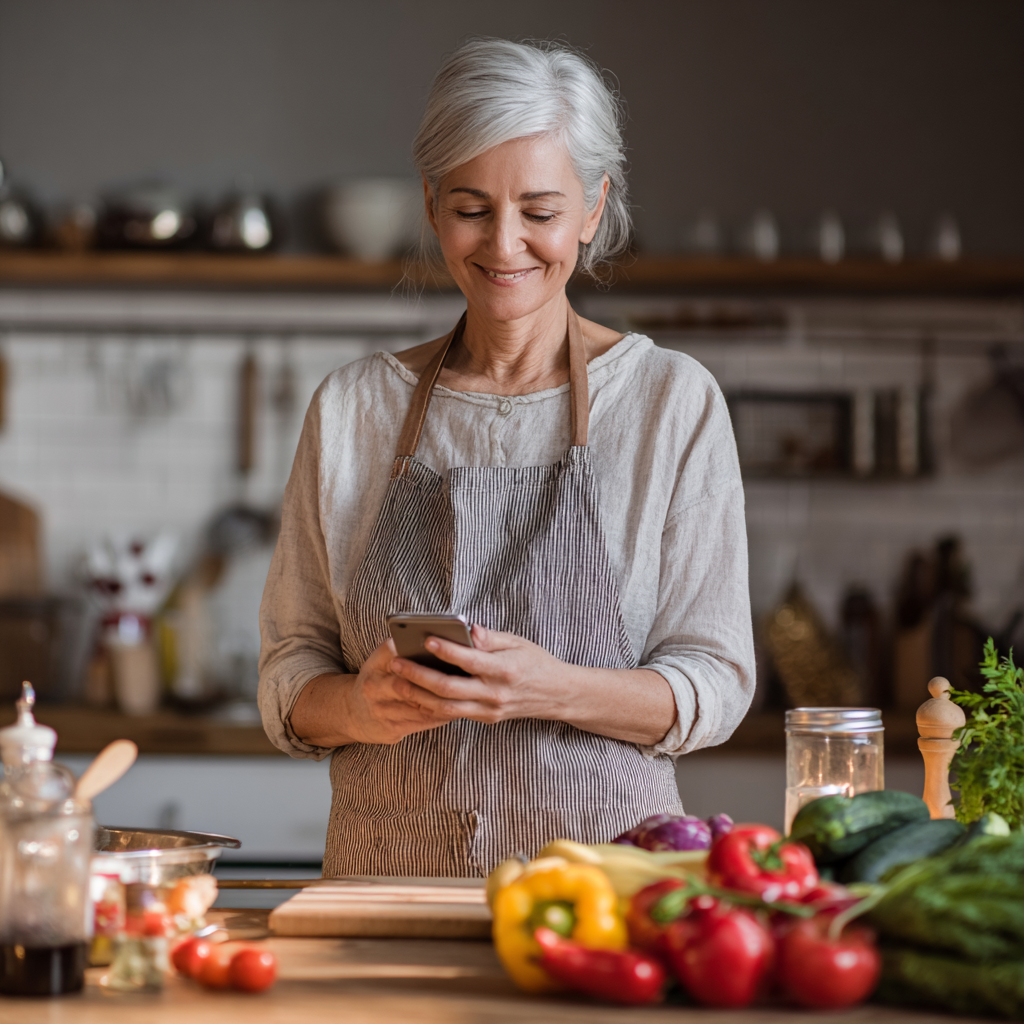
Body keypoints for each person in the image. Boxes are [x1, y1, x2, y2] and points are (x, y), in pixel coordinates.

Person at [258, 38, 754, 877]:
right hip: (388, 895)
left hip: (603, 892)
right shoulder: (352, 409)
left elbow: (715, 683)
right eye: (472, 208)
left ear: (593, 209)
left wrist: (549, 688)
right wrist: (359, 707)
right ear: (430, 205)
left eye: (540, 211)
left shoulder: (671, 402)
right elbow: (290, 672)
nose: (505, 243)